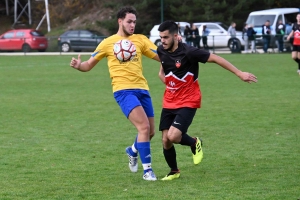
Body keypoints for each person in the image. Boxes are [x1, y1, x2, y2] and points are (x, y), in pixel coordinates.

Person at [156, 20, 257, 180]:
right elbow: (162, 71)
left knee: (174, 137)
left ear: (175, 36)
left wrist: (239, 73)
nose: (163, 41)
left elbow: (216, 58)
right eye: (161, 37)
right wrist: (169, 84)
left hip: (189, 100)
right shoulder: (161, 50)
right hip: (170, 100)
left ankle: (195, 142)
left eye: (166, 37)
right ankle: (174, 171)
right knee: (165, 140)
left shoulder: (189, 52)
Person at [69, 6, 160, 181]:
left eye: (134, 22)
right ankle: (147, 171)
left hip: (142, 88)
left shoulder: (140, 40)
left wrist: (174, 47)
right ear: (120, 21)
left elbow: (160, 56)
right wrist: (78, 66)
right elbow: (88, 65)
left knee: (150, 132)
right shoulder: (107, 43)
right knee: (143, 128)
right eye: (129, 21)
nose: (132, 25)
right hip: (123, 90)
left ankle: (132, 150)